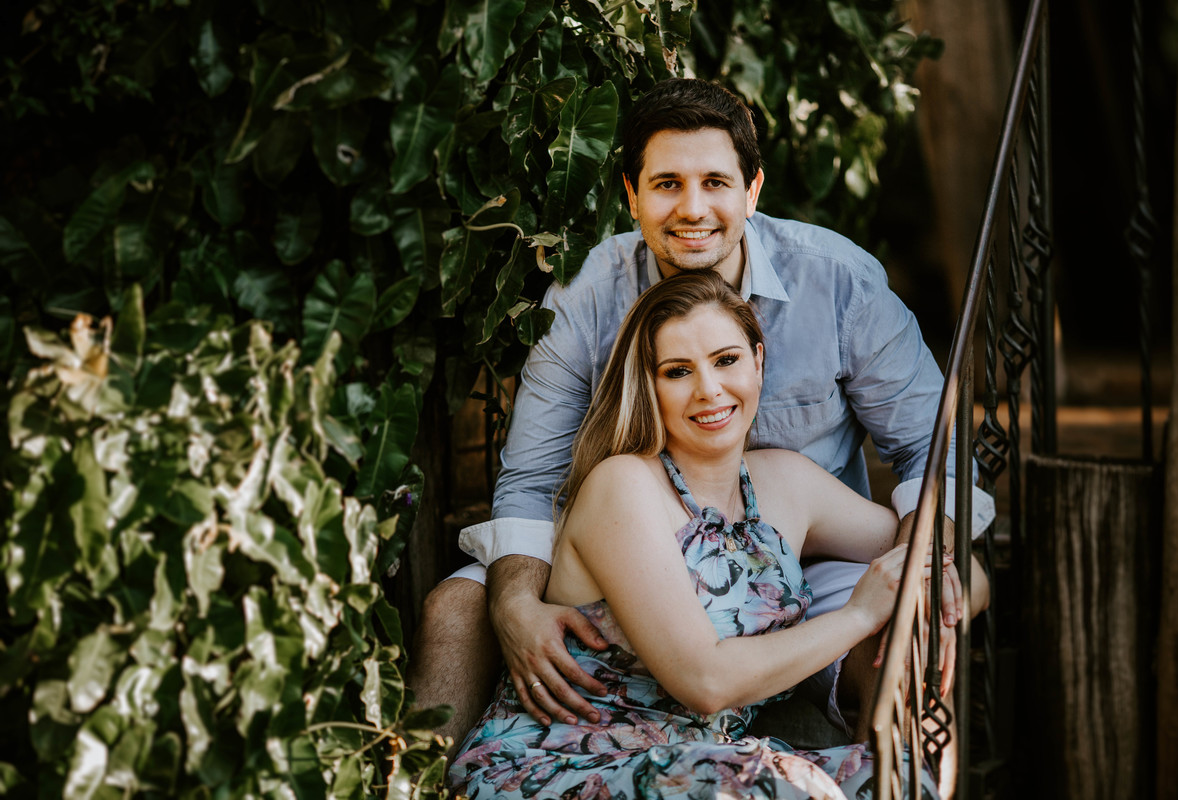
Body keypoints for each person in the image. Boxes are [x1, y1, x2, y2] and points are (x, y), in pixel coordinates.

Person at [408, 78, 995, 747]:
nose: (693, 208)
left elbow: (933, 448)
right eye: (666, 184)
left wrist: (927, 567)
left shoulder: (838, 281)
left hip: (804, 544)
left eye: (715, 182)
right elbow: (532, 479)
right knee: (457, 608)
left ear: (752, 189)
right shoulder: (587, 294)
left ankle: (896, 778)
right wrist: (515, 604)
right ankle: (423, 779)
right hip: (631, 549)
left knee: (915, 635)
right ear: (632, 195)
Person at [447, 271, 986, 799]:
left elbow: (965, 569)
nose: (708, 390)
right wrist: (861, 615)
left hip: (706, 765)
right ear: (649, 386)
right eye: (678, 371)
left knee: (905, 775)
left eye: (726, 360)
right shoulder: (623, 485)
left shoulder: (788, 483)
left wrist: (930, 595)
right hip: (564, 763)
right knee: (769, 783)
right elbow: (706, 682)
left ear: (758, 360)